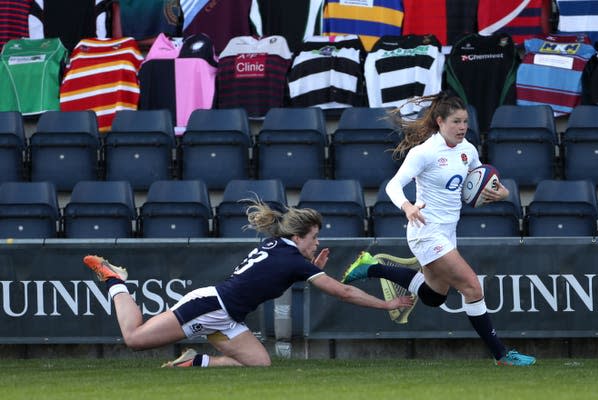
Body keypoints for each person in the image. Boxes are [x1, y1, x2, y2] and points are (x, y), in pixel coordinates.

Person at [83, 199, 414, 368]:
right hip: (210, 306)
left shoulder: (281, 248)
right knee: (134, 338)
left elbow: (276, 271)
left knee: (260, 365)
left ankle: (194, 361)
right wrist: (386, 304)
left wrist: (307, 266)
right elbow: (342, 292)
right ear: (298, 237)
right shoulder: (291, 258)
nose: (316, 242)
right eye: (314, 237)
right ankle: (116, 281)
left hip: (228, 317)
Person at [342, 91, 536, 366]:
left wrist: (500, 193)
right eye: (456, 121)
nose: (462, 127)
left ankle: (371, 267)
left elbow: (481, 182)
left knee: (434, 296)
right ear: (440, 121)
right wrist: (407, 207)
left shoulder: (468, 149)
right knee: (472, 287)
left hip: (447, 232)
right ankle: (501, 354)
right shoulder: (424, 152)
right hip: (425, 231)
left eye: (465, 121)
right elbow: (393, 186)